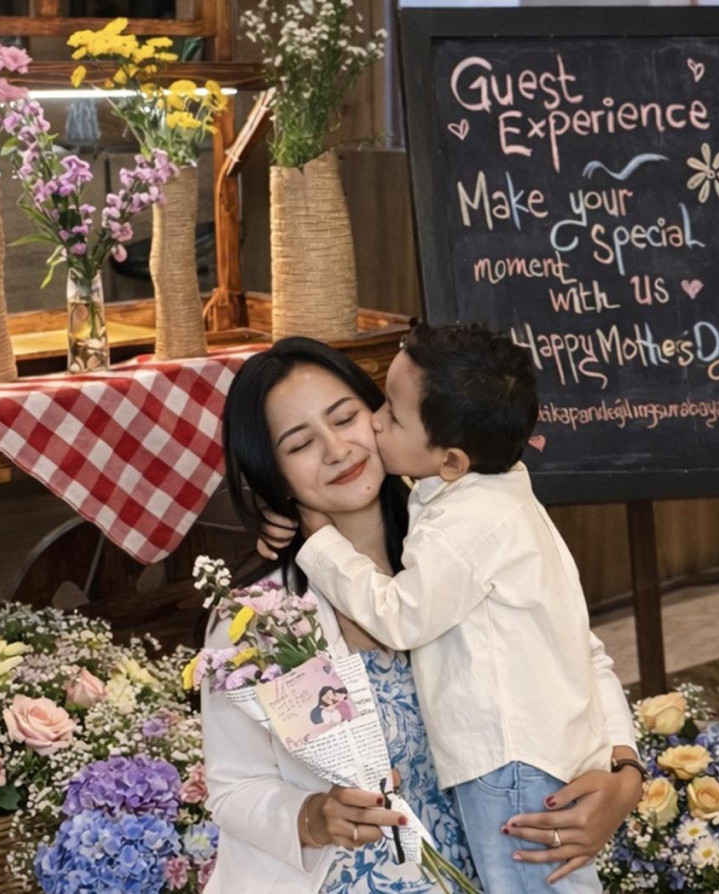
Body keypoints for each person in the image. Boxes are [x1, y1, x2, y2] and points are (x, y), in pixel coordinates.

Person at [202, 337, 642, 893]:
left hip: (507, 857)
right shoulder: (265, 617)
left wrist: (624, 770)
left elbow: (573, 650)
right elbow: (234, 789)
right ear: (272, 472)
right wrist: (315, 816)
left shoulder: (463, 533)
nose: (337, 449)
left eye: (346, 417)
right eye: (301, 444)